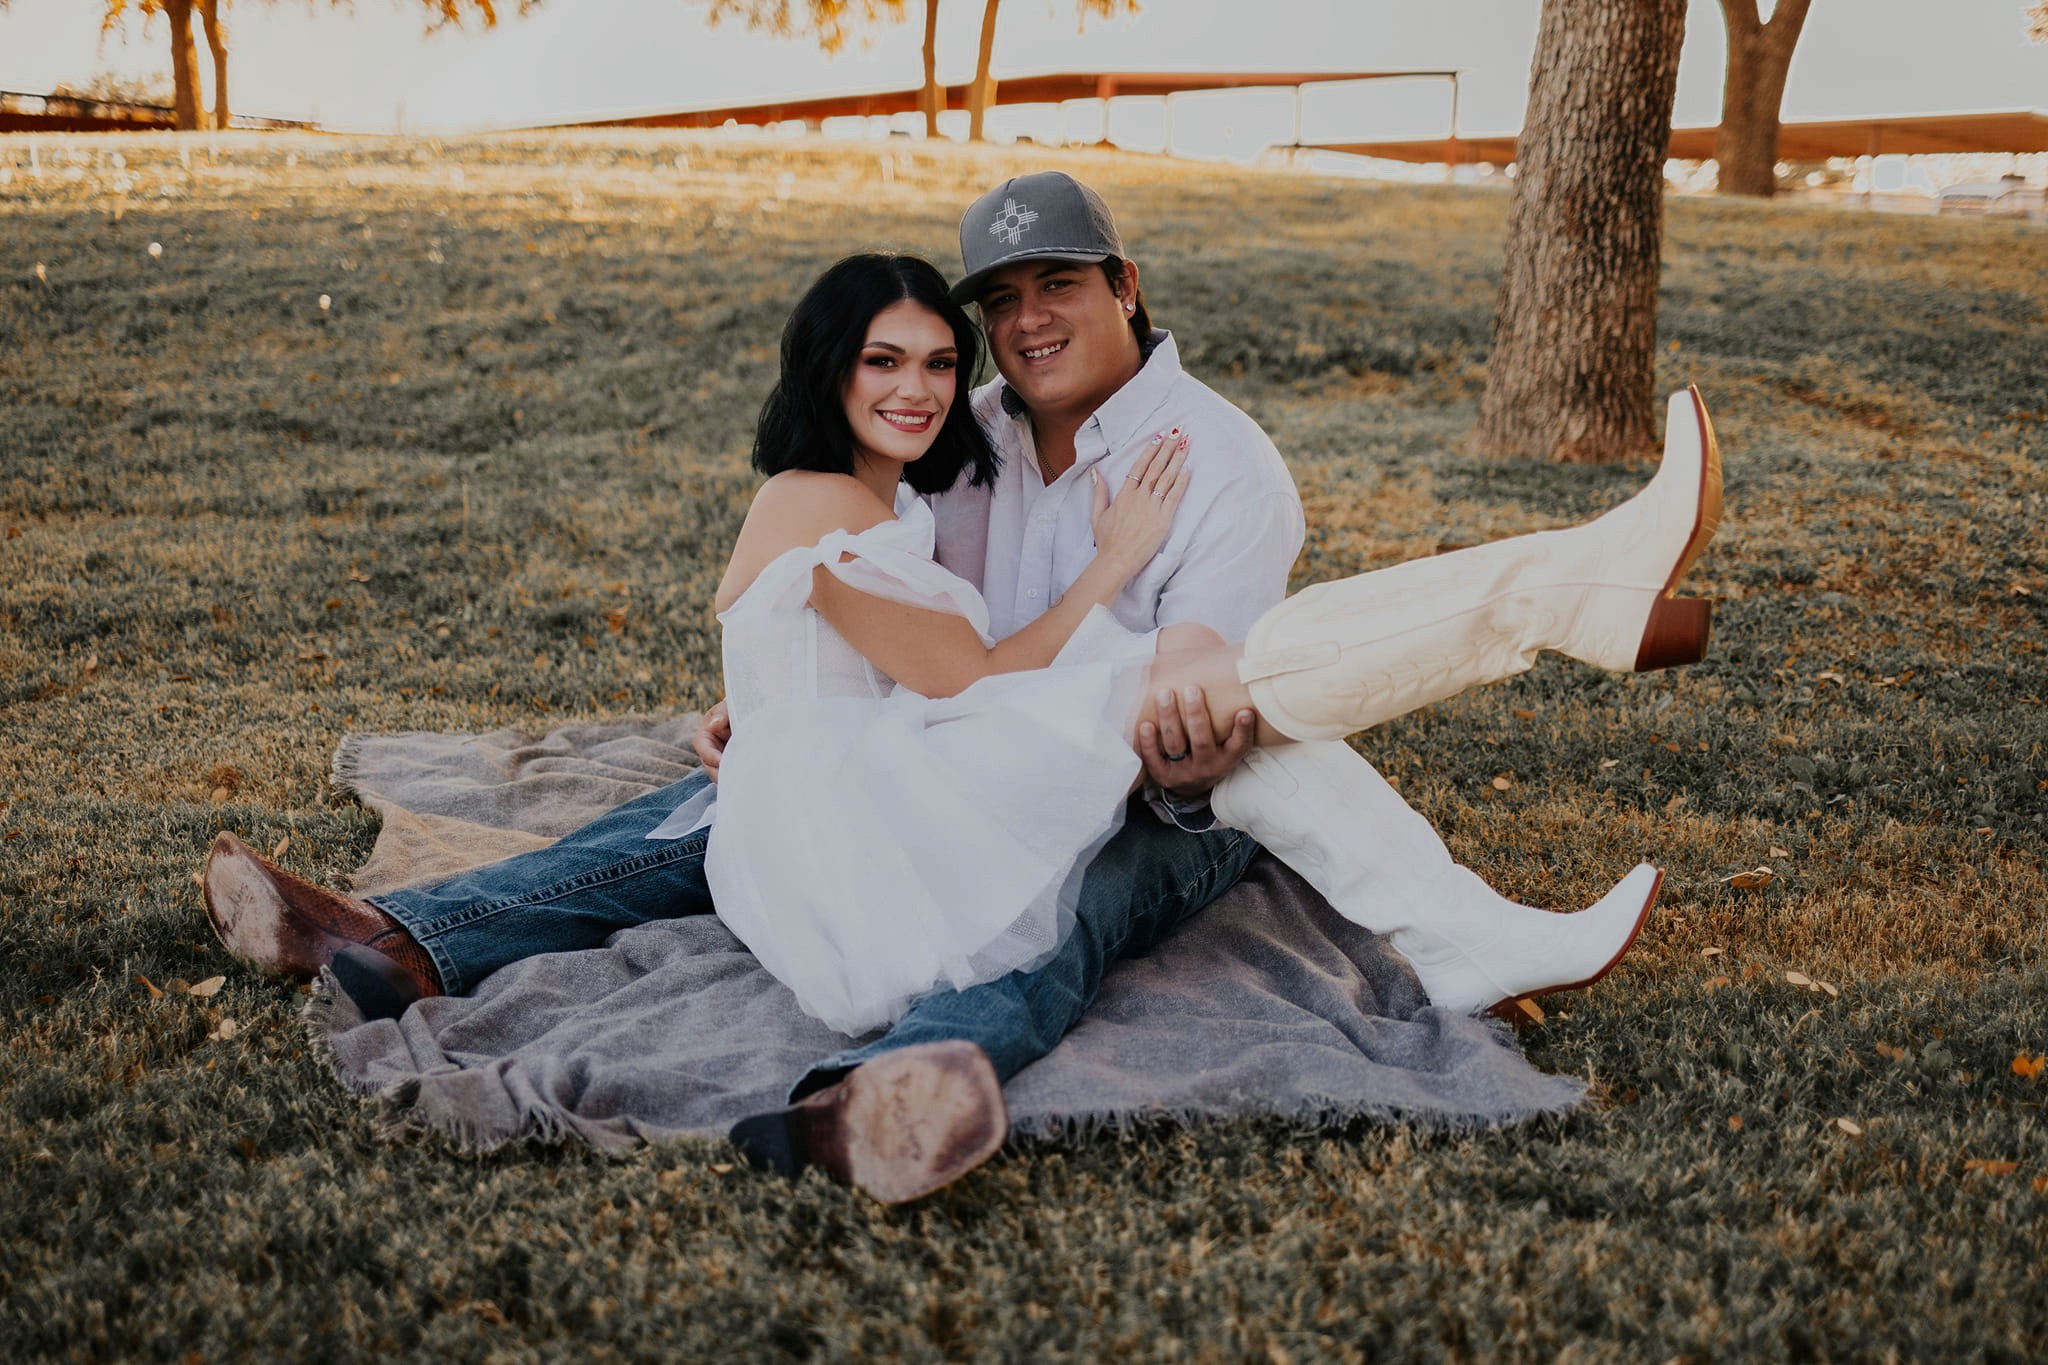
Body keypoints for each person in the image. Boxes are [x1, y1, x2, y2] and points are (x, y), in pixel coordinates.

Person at [200, 173, 1719, 1205]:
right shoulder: (963, 430)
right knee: (730, 798)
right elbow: (893, 617)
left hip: (1175, 773)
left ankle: (863, 1096)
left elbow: (1219, 680)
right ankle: (401, 939)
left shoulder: (1224, 463)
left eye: (1057, 283)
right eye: (1003, 298)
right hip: (966, 737)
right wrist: (786, 694)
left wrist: (1168, 674)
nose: (1025, 320)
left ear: (1126, 285)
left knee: (1066, 917)